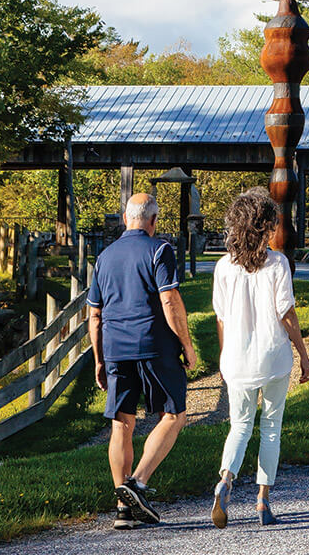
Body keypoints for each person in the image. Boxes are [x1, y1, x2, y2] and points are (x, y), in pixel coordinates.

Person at [86, 193, 198, 530]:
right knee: (174, 414)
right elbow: (170, 299)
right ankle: (137, 483)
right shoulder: (160, 250)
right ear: (152, 221)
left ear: (125, 218)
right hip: (154, 345)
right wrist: (187, 345)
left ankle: (124, 509)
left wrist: (99, 359)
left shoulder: (104, 257)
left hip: (116, 348)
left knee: (121, 423)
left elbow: (94, 315)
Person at [210, 188, 309, 528]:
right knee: (271, 428)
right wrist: (304, 354)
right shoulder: (277, 263)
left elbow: (221, 318)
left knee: (239, 426)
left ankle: (225, 480)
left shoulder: (223, 267)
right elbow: (287, 314)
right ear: (264, 227)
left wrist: (225, 358)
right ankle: (262, 502)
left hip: (236, 359)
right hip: (273, 358)